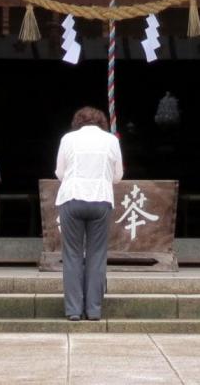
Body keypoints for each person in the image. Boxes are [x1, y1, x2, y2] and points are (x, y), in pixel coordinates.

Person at [54, 105, 122, 321]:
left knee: (72, 255)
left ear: (78, 123)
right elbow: (118, 175)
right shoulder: (111, 140)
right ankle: (93, 310)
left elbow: (60, 172)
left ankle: (74, 310)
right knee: (97, 255)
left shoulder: (68, 139)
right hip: (101, 198)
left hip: (72, 197)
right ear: (101, 122)